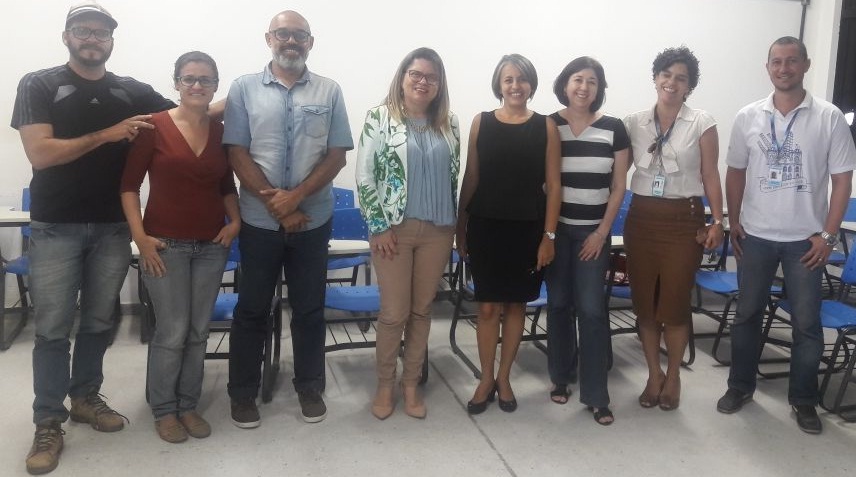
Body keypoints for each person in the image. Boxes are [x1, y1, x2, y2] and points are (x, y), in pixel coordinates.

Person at [10, 3, 177, 474]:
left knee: (99, 322)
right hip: (55, 227)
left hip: (112, 228)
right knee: (52, 328)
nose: (92, 38)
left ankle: (85, 397)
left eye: (101, 32)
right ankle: (48, 421)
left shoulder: (130, 90)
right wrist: (108, 134)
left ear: (111, 41)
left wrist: (241, 96)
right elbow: (41, 154)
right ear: (66, 37)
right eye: (83, 30)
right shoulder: (39, 84)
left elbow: (188, 113)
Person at [717, 36, 856, 434]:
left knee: (806, 324)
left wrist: (828, 236)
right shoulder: (748, 116)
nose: (783, 68)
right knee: (747, 315)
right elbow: (735, 171)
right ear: (768, 68)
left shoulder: (828, 117)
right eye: (776, 61)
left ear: (805, 65)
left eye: (792, 61)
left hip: (805, 242)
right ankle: (740, 386)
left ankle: (803, 400)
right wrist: (734, 220)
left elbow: (842, 181)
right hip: (755, 236)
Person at [223, 10, 353, 427]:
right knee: (252, 309)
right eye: (283, 34)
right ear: (269, 38)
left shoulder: (329, 91)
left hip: (312, 222)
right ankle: (243, 394)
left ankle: (309, 387)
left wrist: (296, 198)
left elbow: (337, 154)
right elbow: (236, 152)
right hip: (259, 223)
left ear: (310, 42)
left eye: (299, 35)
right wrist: (277, 204)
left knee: (310, 309)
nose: (291, 41)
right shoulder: (243, 89)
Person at [120, 51, 240, 443]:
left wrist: (235, 221)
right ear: (176, 83)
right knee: (171, 331)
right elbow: (128, 187)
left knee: (199, 330)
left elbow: (225, 185)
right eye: (189, 78)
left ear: (215, 86)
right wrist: (140, 239)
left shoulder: (221, 131)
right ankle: (164, 409)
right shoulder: (154, 127)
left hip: (211, 246)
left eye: (205, 79)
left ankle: (188, 404)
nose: (197, 85)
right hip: (164, 246)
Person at [355, 47, 460, 420]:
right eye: (416, 74)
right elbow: (365, 175)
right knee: (394, 313)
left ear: (439, 84)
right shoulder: (380, 117)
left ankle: (410, 383)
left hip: (438, 231)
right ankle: (385, 384)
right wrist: (378, 226)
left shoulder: (450, 123)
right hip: (393, 231)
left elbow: (453, 177)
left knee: (421, 310)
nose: (423, 81)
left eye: (431, 77)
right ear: (402, 78)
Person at [456, 54, 561, 415]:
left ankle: (504, 378)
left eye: (522, 79)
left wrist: (549, 236)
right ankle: (485, 378)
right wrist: (460, 225)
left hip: (528, 230)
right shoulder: (481, 122)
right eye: (508, 79)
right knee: (487, 307)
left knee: (516, 305)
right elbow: (472, 177)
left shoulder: (546, 126)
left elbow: (554, 186)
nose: (516, 86)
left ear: (531, 84)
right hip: (486, 227)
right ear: (499, 85)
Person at [623, 46, 724, 411]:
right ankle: (654, 374)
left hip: (684, 221)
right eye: (666, 75)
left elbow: (710, 174)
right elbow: (617, 173)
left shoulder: (701, 122)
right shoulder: (633, 122)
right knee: (646, 307)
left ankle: (674, 375)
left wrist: (718, 221)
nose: (672, 82)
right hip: (642, 220)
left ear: (689, 86)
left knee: (675, 306)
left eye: (681, 78)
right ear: (655, 78)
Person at [545, 57, 630, 425]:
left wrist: (601, 233)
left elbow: (619, 186)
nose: (584, 87)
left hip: (593, 234)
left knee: (592, 311)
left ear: (600, 88)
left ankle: (596, 394)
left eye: (592, 81)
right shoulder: (550, 125)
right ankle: (561, 377)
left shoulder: (614, 128)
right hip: (557, 232)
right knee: (559, 304)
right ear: (565, 85)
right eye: (577, 79)